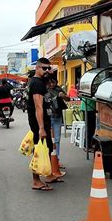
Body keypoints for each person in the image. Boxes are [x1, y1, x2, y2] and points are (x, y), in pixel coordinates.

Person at [27, 58, 60, 191]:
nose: (47, 70)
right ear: (37, 68)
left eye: (48, 68)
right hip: (38, 122)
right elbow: (38, 107)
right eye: (44, 68)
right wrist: (41, 128)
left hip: (44, 120)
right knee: (39, 149)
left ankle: (49, 175)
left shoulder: (40, 81)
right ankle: (36, 180)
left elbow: (51, 80)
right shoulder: (36, 84)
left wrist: (50, 73)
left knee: (47, 148)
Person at [45, 78, 70, 168]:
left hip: (57, 117)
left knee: (57, 139)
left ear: (56, 82)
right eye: (50, 82)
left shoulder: (59, 89)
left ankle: (56, 159)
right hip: (47, 118)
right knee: (48, 139)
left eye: (53, 82)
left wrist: (63, 96)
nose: (52, 84)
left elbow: (68, 99)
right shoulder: (44, 90)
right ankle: (48, 159)